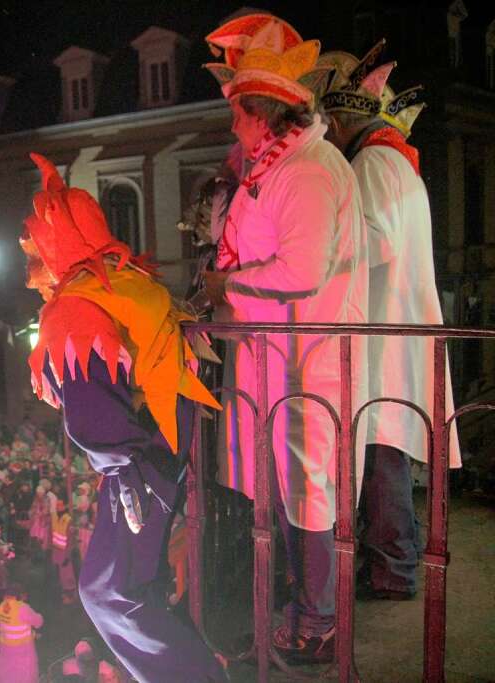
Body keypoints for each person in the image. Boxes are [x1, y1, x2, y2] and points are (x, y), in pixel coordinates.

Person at [201, 13, 370, 664]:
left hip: (307, 364)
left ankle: (320, 620)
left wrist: (229, 290)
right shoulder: (276, 166)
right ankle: (302, 607)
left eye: (240, 113)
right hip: (281, 360)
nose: (234, 125)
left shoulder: (306, 170)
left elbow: (302, 269)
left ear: (264, 112)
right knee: (293, 490)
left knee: (307, 493)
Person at [21, 153, 225, 682]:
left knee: (110, 594)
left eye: (36, 249)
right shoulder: (119, 280)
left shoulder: (75, 303)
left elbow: (90, 408)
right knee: (139, 584)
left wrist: (117, 467)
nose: (30, 269)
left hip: (137, 461)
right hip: (162, 444)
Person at [316, 45, 461, 601]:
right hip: (395, 331)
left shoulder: (374, 162)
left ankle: (393, 572)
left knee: (379, 455)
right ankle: (394, 564)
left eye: (330, 124)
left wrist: (321, 254)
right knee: (385, 454)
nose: (327, 135)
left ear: (345, 118)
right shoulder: (392, 159)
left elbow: (371, 240)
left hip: (384, 337)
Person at [0, 585, 43, 683]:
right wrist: (40, 616)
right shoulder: (22, 608)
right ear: (20, 595)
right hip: (22, 648)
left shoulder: (3, 606)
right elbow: (38, 622)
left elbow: (13, 625)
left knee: (8, 672)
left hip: (5, 648)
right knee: (26, 673)